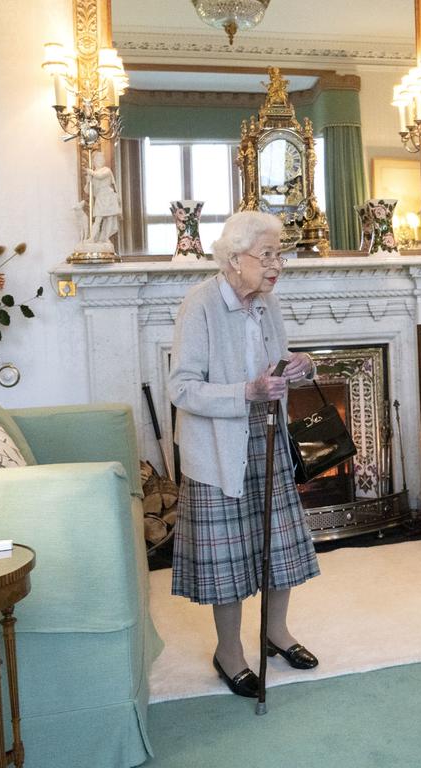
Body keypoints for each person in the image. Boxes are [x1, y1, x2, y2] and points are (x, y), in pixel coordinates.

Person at [168, 210, 320, 698]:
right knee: (229, 560)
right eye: (269, 255)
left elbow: (274, 362)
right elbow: (182, 389)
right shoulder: (201, 305)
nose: (277, 265)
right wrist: (245, 394)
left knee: (279, 546)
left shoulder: (266, 303)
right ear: (235, 259)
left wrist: (300, 366)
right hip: (218, 449)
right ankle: (229, 651)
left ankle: (276, 633)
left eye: (281, 255)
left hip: (269, 436)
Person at [86, 149, 122, 244]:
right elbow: (87, 190)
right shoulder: (93, 174)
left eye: (101, 159)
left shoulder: (106, 170)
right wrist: (88, 181)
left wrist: (91, 173)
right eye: (97, 160)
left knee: (110, 218)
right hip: (100, 197)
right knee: (98, 219)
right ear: (94, 161)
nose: (100, 161)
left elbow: (100, 176)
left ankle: (106, 238)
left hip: (109, 196)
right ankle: (92, 238)